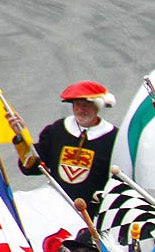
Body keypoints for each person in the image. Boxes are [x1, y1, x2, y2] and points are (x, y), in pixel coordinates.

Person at [8, 82, 122, 211]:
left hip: (93, 214)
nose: (80, 110)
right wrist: (21, 136)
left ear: (97, 107)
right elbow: (32, 167)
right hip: (56, 208)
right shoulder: (57, 130)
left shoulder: (114, 139)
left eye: (86, 105)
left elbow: (118, 181)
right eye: (77, 104)